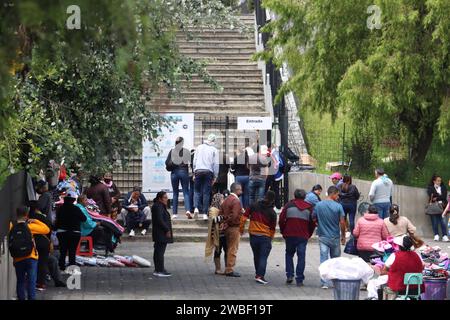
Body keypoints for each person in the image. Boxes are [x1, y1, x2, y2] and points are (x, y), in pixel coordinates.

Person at [9, 206, 51, 300]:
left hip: (18, 258)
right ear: (27, 215)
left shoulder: (12, 226)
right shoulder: (30, 226)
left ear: (16, 214)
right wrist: (36, 221)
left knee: (20, 281)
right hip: (31, 257)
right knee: (31, 281)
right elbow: (46, 229)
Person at [367, 235, 424, 300]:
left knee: (372, 283)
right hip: (416, 288)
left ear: (399, 246)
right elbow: (422, 267)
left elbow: (383, 272)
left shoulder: (394, 256)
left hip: (399, 286)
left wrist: (393, 273)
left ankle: (374, 298)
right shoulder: (417, 255)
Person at [279, 189, 316, 287]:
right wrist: (308, 234)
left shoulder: (288, 205)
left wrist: (283, 231)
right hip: (302, 236)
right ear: (304, 197)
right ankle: (299, 279)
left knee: (289, 254)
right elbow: (312, 224)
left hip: (289, 234)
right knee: (301, 256)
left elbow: (281, 220)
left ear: (295, 196)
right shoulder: (309, 208)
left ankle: (289, 275)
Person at [312, 186, 346, 289]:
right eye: (337, 194)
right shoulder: (338, 206)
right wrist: (343, 235)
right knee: (335, 260)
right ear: (333, 194)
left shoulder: (318, 205)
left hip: (323, 236)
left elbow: (313, 217)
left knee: (324, 259)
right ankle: (336, 282)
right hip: (335, 237)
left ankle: (324, 282)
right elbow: (342, 222)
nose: (338, 196)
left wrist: (318, 224)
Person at [240, 191, 277, 285]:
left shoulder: (254, 205)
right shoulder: (272, 212)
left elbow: (244, 217)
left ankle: (258, 274)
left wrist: (241, 229)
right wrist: (270, 238)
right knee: (263, 257)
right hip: (265, 236)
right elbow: (272, 228)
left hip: (253, 235)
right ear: (272, 200)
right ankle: (260, 276)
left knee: (256, 255)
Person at [55, 191, 87, 273]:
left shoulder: (60, 209)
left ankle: (61, 267)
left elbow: (57, 221)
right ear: (73, 200)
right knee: (72, 251)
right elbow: (84, 219)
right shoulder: (76, 209)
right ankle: (72, 269)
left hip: (62, 233)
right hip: (74, 233)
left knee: (63, 250)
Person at [193, 134, 220, 220]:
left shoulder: (199, 147)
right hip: (208, 172)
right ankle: (205, 213)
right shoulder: (214, 150)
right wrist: (215, 176)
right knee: (206, 193)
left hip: (198, 170)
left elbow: (195, 160)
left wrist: (194, 172)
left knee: (197, 191)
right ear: (214, 141)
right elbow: (216, 164)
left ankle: (196, 208)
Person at [219, 182, 243, 277]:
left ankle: (227, 267)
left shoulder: (227, 199)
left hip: (227, 227)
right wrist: (229, 221)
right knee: (233, 248)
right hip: (234, 227)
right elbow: (235, 215)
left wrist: (224, 222)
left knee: (229, 247)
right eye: (240, 189)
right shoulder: (236, 201)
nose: (242, 191)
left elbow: (221, 212)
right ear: (236, 190)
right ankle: (229, 269)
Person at [28, 201, 53, 291]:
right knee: (43, 262)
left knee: (33, 263)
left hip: (33, 243)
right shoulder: (43, 218)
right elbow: (49, 229)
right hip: (45, 243)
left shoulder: (28, 218)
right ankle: (41, 283)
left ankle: (33, 282)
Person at [165, 137, 191, 219]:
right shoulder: (186, 151)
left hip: (174, 173)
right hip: (184, 172)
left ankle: (174, 214)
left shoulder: (172, 151)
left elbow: (166, 162)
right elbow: (189, 163)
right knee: (186, 192)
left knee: (175, 193)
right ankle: (187, 210)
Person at [151, 191, 173, 277]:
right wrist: (167, 230)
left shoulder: (159, 206)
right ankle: (159, 269)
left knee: (159, 251)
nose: (166, 199)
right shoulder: (158, 206)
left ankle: (160, 268)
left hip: (160, 232)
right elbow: (160, 220)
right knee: (159, 252)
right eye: (165, 198)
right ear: (160, 198)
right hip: (160, 233)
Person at [205, 193, 227, 274]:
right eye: (222, 199)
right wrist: (224, 217)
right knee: (218, 251)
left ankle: (227, 268)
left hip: (225, 233)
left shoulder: (223, 208)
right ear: (218, 200)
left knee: (227, 251)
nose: (223, 200)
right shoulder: (212, 209)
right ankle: (218, 269)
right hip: (217, 234)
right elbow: (213, 221)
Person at [427, 174, 448, 241]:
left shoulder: (443, 187)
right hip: (434, 207)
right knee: (435, 221)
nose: (439, 182)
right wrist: (439, 196)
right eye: (438, 181)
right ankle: (436, 235)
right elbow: (431, 195)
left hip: (443, 206)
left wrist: (437, 197)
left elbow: (444, 196)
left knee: (443, 222)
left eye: (440, 181)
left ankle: (444, 236)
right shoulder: (430, 187)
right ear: (434, 181)